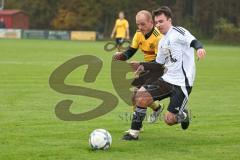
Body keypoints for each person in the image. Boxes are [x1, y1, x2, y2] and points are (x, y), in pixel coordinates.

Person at [122, 6, 206, 140]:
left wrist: (199, 48)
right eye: (156, 22)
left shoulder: (179, 32)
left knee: (169, 120)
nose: (158, 25)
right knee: (140, 95)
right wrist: (142, 66)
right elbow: (158, 64)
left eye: (161, 21)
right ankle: (134, 133)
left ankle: (183, 115)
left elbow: (193, 41)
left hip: (182, 84)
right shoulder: (162, 41)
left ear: (169, 20)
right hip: (166, 79)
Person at [113, 10, 164, 124]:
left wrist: (142, 66)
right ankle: (157, 108)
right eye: (138, 24)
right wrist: (122, 56)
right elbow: (131, 51)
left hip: (158, 69)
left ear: (151, 22)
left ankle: (137, 126)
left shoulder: (158, 37)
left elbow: (159, 62)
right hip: (146, 68)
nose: (140, 27)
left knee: (139, 96)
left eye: (143, 24)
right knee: (134, 97)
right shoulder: (138, 34)